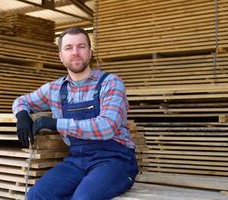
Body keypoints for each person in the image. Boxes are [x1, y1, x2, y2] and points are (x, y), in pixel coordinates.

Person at [12, 27, 138, 200]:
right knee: (36, 196)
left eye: (81, 46)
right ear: (61, 56)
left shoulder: (110, 83)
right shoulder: (54, 89)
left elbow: (107, 126)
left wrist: (57, 123)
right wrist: (22, 116)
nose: (75, 52)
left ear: (89, 52)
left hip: (115, 160)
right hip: (77, 159)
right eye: (69, 48)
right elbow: (21, 101)